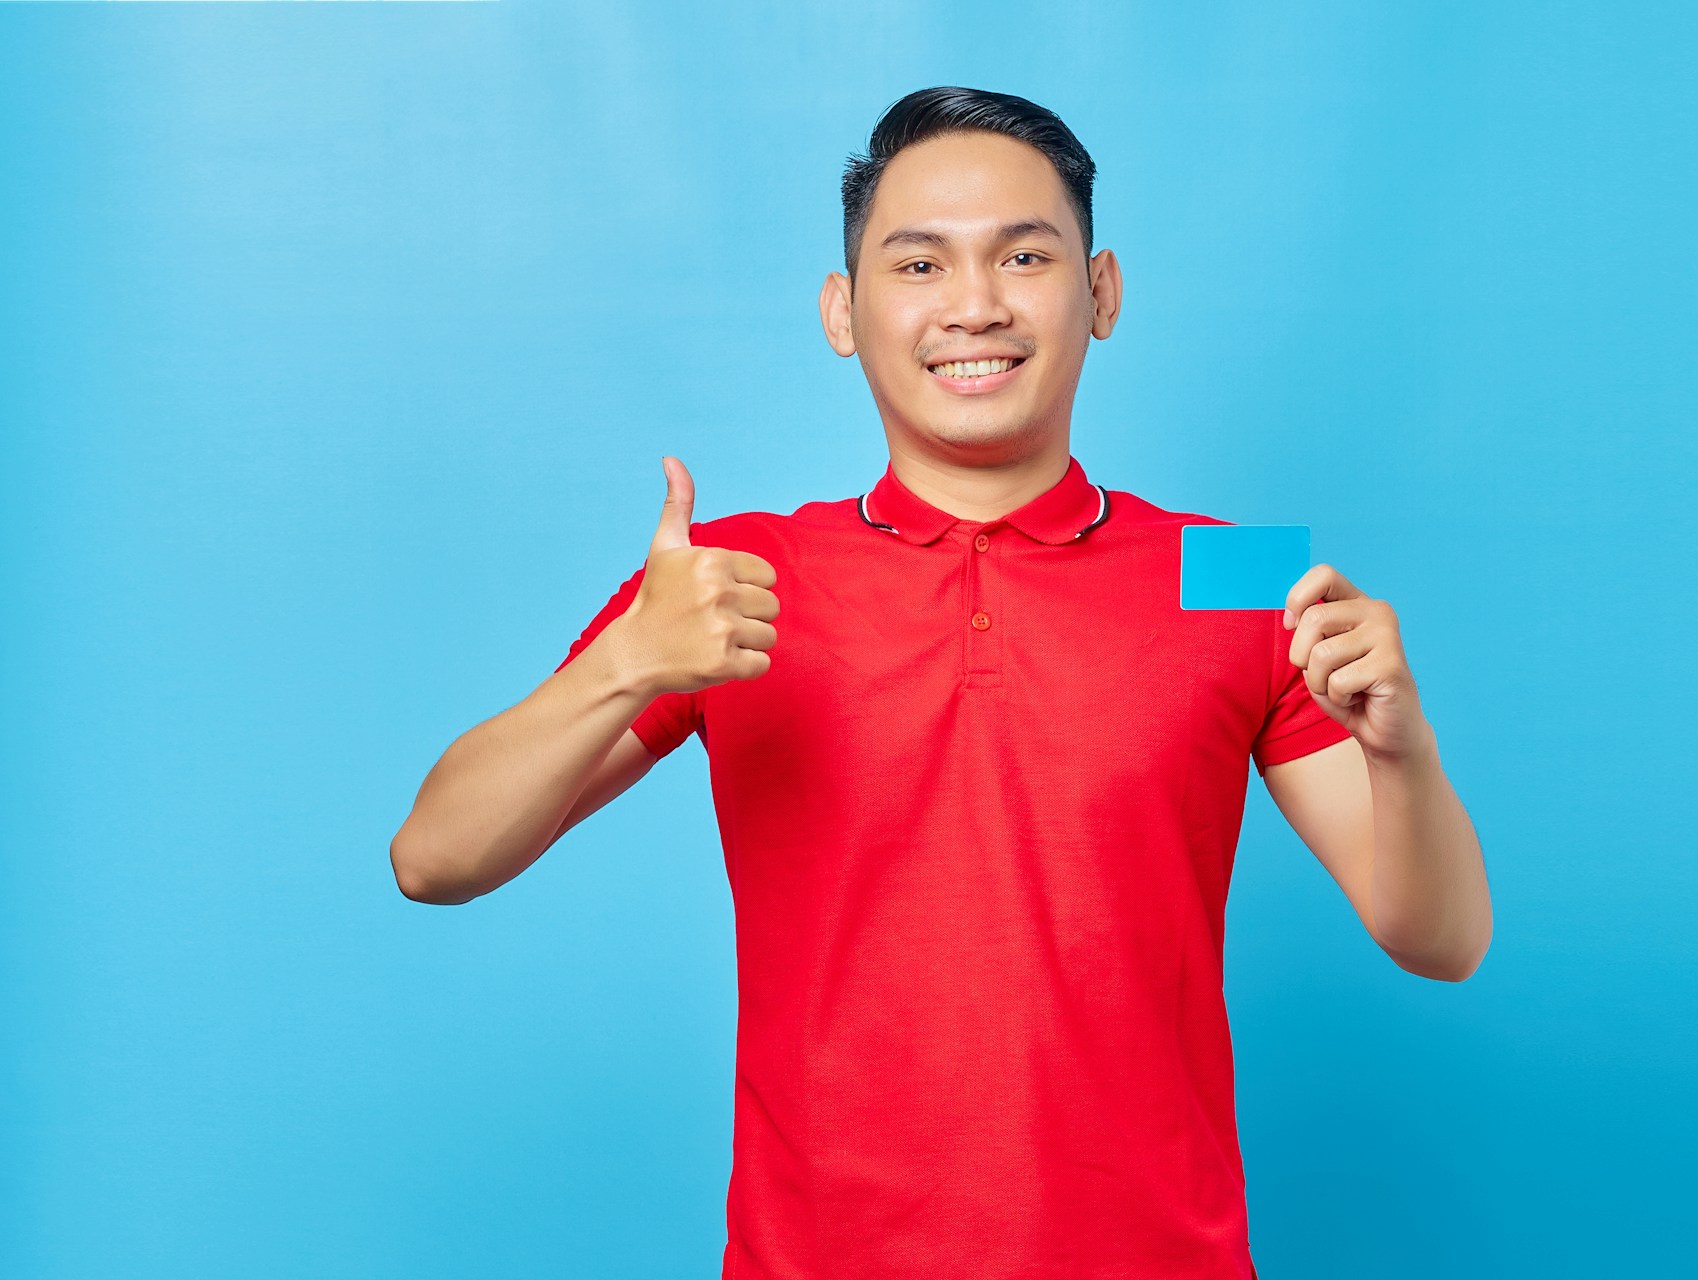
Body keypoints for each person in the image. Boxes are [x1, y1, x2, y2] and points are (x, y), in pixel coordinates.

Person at [390, 85, 1491, 1280]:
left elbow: (1439, 936)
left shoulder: (1230, 571)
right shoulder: (737, 575)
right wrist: (622, 665)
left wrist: (1403, 745)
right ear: (842, 311)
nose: (975, 304)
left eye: (1025, 255)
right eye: (918, 264)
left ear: (1102, 291)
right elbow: (434, 859)